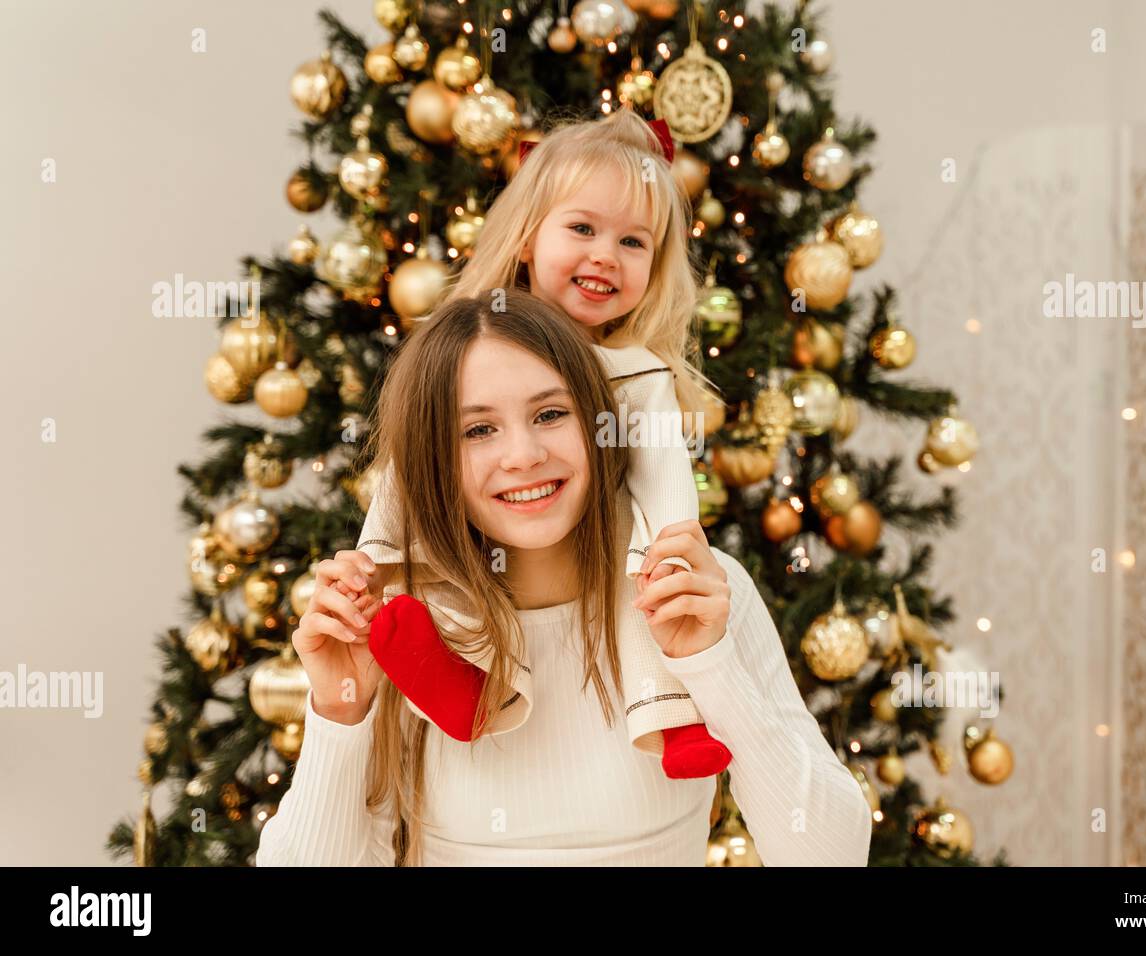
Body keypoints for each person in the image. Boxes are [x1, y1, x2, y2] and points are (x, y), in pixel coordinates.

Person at [255, 290, 872, 866]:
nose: (522, 454)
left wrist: (711, 665)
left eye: (550, 413)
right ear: (432, 457)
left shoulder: (696, 592)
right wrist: (342, 711)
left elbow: (831, 854)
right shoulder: (400, 627)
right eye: (478, 429)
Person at [356, 105, 728, 776]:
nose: (603, 257)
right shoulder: (471, 343)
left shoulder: (636, 371)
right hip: (483, 533)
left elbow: (666, 469)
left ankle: (672, 714)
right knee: (450, 566)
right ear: (527, 238)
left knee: (640, 602)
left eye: (633, 243)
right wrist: (374, 557)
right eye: (582, 228)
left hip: (607, 547)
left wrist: (674, 545)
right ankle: (466, 679)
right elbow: (407, 465)